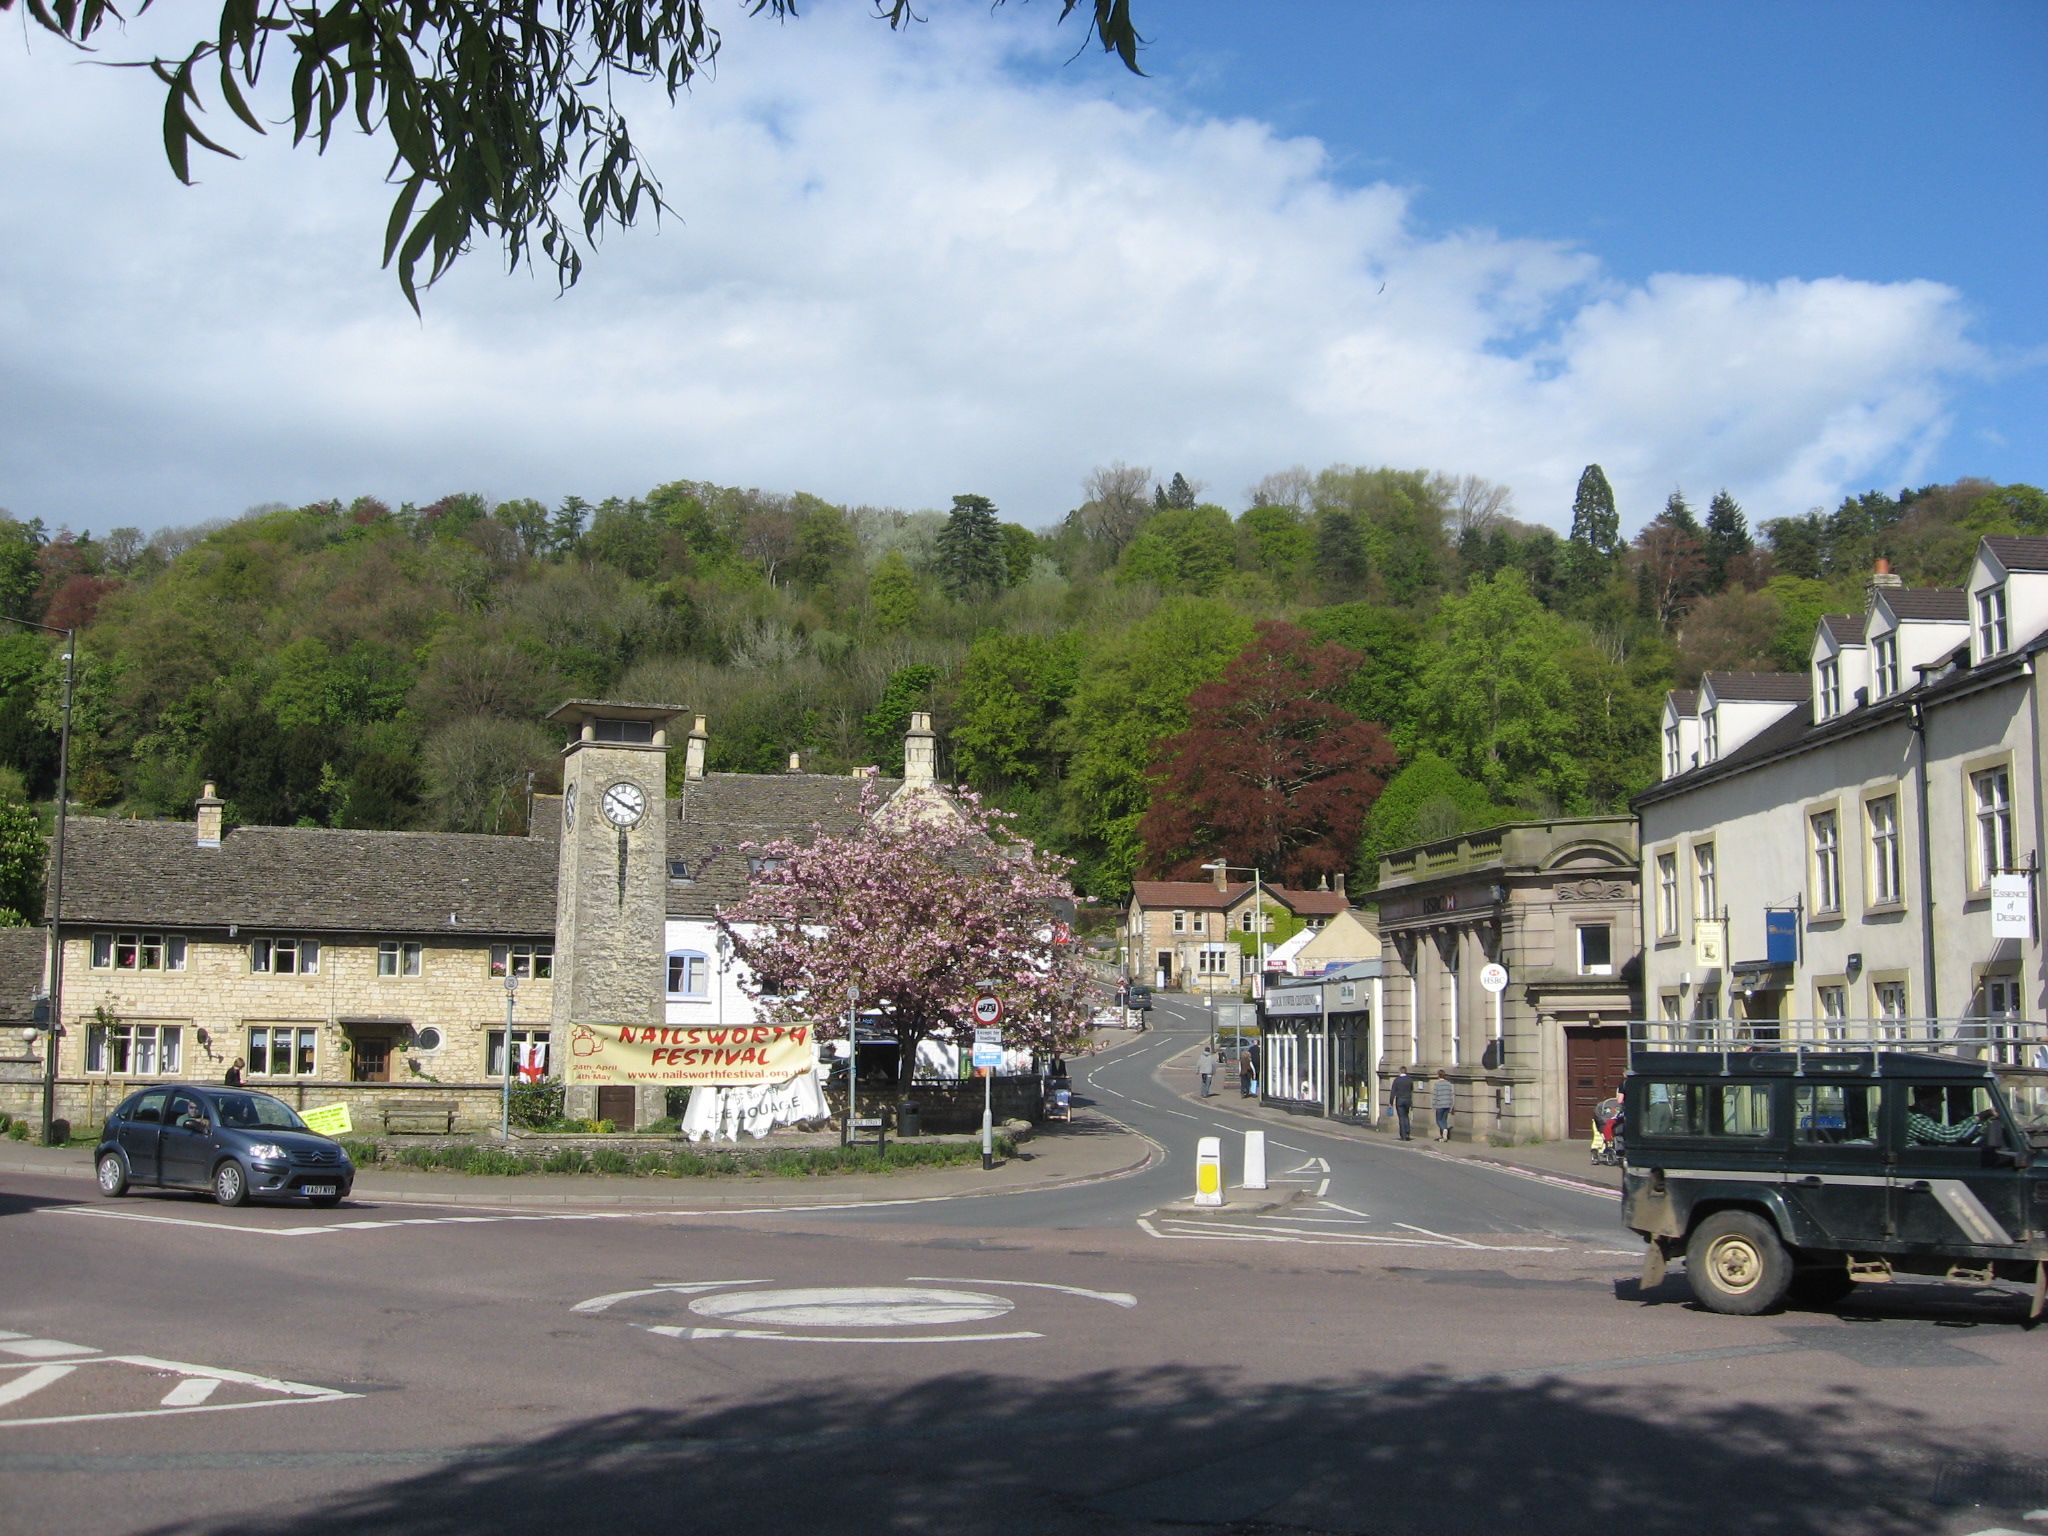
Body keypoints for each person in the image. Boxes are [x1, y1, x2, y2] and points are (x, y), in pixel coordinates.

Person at [1905, 1088, 1985, 1146]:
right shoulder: (1914, 1119)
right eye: (1938, 1102)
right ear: (1925, 1102)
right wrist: (1981, 1116)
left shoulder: (1920, 1116)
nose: (1940, 1108)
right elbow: (1948, 1135)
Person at [1391, 1068, 1415, 1140]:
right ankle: (1407, 1133)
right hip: (1408, 1100)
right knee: (1406, 1116)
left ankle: (1403, 1135)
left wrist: (1391, 1102)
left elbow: (1393, 1092)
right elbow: (1411, 1090)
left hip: (1400, 1100)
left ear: (1400, 1071)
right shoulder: (1410, 1080)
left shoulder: (1397, 1080)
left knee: (1401, 1118)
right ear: (1406, 1071)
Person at [1432, 1069, 1455, 1141]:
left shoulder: (1437, 1084)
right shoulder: (1449, 1084)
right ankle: (1444, 1136)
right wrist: (1452, 1106)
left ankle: (1444, 1130)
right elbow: (1451, 1095)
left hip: (1440, 1104)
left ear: (1438, 1075)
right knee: (1444, 1120)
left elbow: (1435, 1095)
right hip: (1447, 1104)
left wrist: (1433, 1105)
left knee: (1438, 1120)